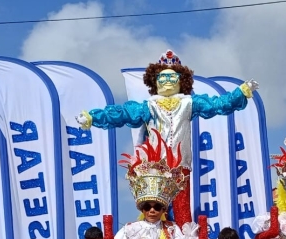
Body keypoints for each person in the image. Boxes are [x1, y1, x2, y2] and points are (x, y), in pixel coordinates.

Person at [78, 49, 258, 172]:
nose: (167, 81)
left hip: (181, 168)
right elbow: (121, 114)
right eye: (162, 77)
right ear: (154, 81)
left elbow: (218, 104)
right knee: (154, 213)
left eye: (173, 76)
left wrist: (241, 92)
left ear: (182, 80)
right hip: (155, 169)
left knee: (182, 216)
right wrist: (93, 117)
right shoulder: (148, 106)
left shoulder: (189, 102)